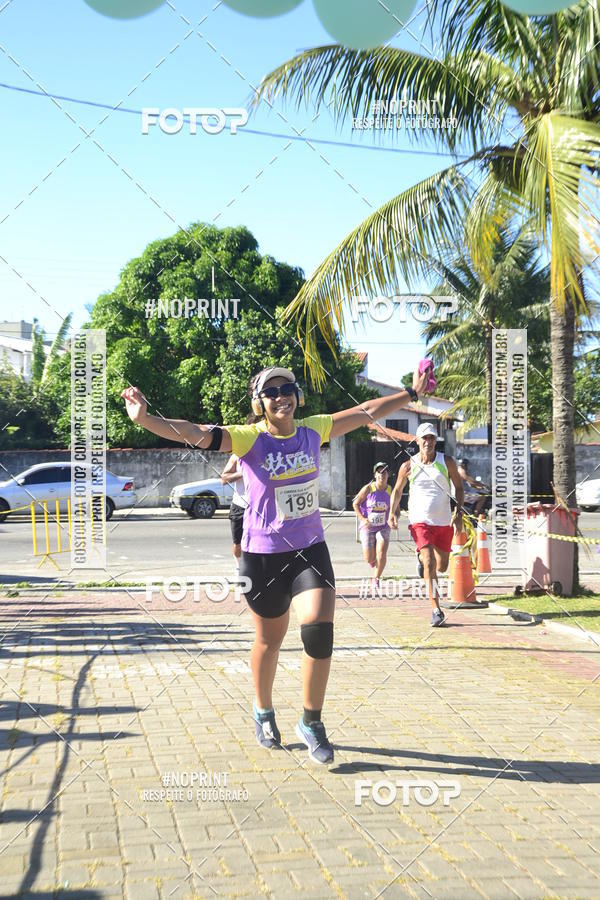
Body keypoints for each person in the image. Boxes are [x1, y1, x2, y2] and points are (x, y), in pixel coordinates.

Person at [122, 363, 429, 764]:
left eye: (287, 388)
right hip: (262, 557)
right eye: (271, 392)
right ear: (259, 402)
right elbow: (195, 432)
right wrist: (146, 418)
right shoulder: (249, 439)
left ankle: (312, 721)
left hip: (309, 551)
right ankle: (263, 711)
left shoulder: (313, 430)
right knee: (269, 640)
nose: (281, 396)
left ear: (297, 396)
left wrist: (411, 393)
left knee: (318, 632)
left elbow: (365, 411)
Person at [388, 423, 464, 627]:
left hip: (443, 521)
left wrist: (458, 513)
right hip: (419, 521)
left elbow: (458, 488)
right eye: (424, 438)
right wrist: (392, 512)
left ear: (435, 440)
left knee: (442, 566)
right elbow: (396, 490)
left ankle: (420, 558)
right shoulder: (408, 466)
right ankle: (436, 610)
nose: (428, 442)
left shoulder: (446, 462)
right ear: (417, 440)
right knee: (430, 561)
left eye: (431, 438)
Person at [353, 462, 392, 590]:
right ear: (375, 475)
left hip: (383, 526)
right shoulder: (368, 489)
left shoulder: (390, 490)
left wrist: (394, 516)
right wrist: (363, 519)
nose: (382, 474)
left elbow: (395, 506)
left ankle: (376, 577)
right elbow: (355, 504)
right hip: (368, 527)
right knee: (369, 558)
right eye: (379, 472)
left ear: (388, 474)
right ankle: (372, 560)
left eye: (384, 472)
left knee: (382, 551)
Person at [221, 453, 248, 571]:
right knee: (238, 543)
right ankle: (239, 569)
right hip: (240, 506)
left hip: (260, 506)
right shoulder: (237, 456)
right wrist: (243, 473)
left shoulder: (266, 453)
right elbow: (224, 478)